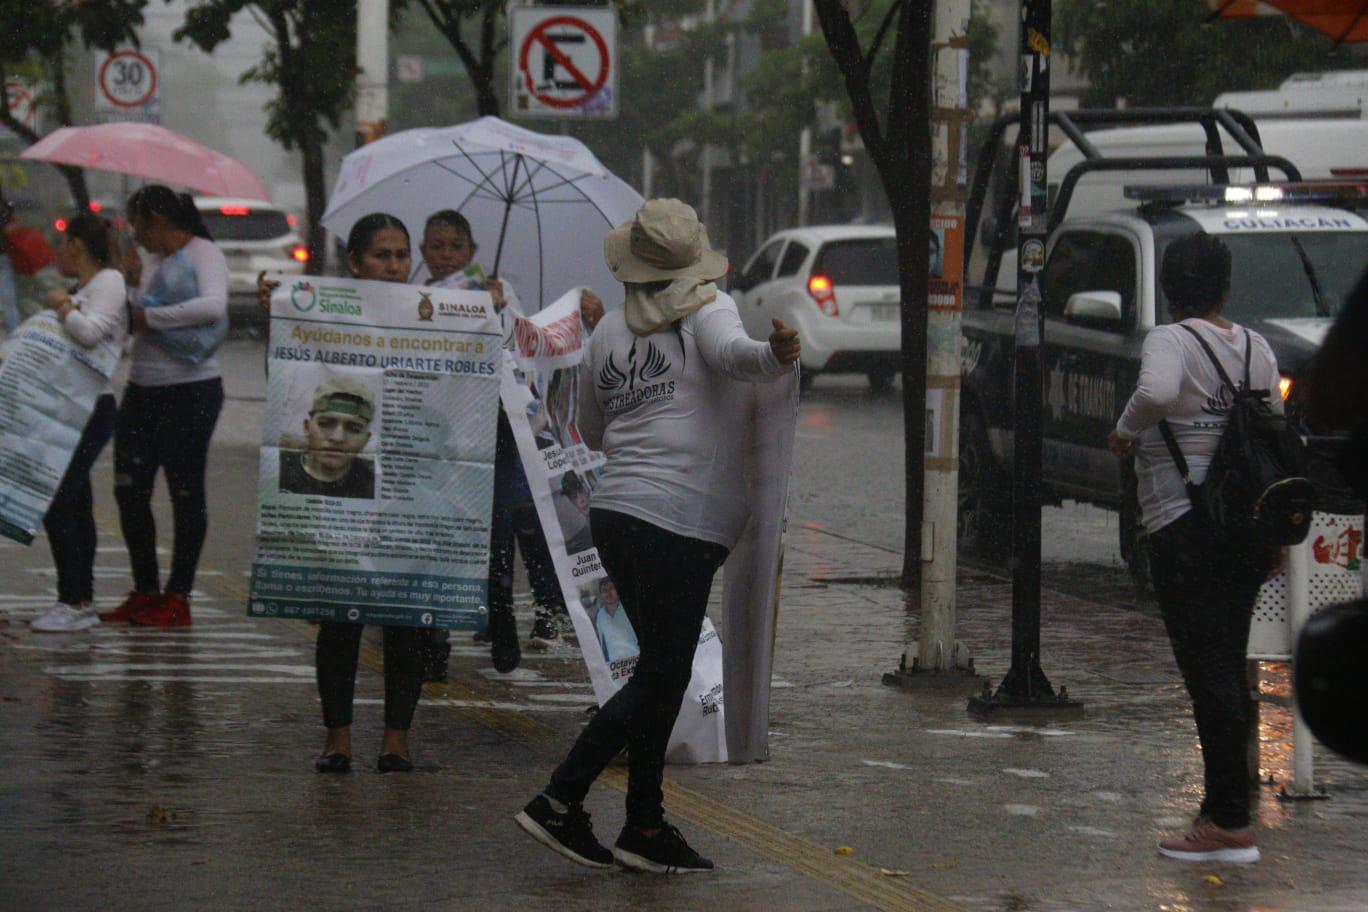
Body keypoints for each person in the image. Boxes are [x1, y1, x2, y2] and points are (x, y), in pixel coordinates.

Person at [516, 198, 800, 873]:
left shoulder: (610, 331)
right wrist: (776, 353)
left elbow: (589, 427)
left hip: (617, 516)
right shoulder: (709, 308)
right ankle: (559, 798)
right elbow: (737, 357)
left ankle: (644, 823)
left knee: (661, 675)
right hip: (681, 523)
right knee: (660, 677)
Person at [1107, 232, 1280, 865]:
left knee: (1209, 673)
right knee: (1226, 665)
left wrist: (1124, 432)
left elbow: (1156, 394)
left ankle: (1229, 822)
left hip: (1185, 527)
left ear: (1168, 289)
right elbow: (1272, 428)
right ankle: (1223, 809)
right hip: (1244, 529)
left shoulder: (1169, 340)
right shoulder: (1257, 347)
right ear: (1225, 289)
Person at [306, 213, 428, 774]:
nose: (395, 266)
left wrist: (490, 310)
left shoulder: (434, 314)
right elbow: (292, 370)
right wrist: (276, 309)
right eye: (382, 255)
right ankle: (338, 737)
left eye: (402, 255)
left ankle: (396, 740)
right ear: (354, 262)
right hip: (346, 498)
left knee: (406, 617)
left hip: (406, 491)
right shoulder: (328, 313)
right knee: (341, 613)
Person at [100, 186, 228, 628]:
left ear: (155, 218)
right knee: (129, 489)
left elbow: (213, 306)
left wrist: (149, 316)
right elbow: (131, 318)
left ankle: (178, 596)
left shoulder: (204, 252)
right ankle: (145, 590)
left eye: (136, 223)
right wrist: (133, 284)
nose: (134, 233)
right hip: (142, 389)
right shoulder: (149, 259)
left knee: (185, 491)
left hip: (191, 391)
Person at [29, 215, 129, 632]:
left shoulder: (109, 282)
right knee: (75, 499)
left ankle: (74, 599)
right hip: (70, 404)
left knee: (60, 498)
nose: (57, 252)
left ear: (77, 245)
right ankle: (79, 597)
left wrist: (62, 306)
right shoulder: (85, 287)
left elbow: (91, 333)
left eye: (61, 243)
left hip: (92, 407)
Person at [279, 377, 377, 499]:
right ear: (307, 428)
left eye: (354, 429)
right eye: (325, 424)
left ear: (366, 440)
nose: (337, 438)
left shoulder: (375, 481)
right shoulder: (278, 468)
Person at [591, 578, 636, 663]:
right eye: (604, 590)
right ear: (601, 595)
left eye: (611, 588)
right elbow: (602, 644)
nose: (608, 593)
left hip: (636, 659)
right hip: (615, 664)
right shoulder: (600, 616)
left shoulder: (630, 608)